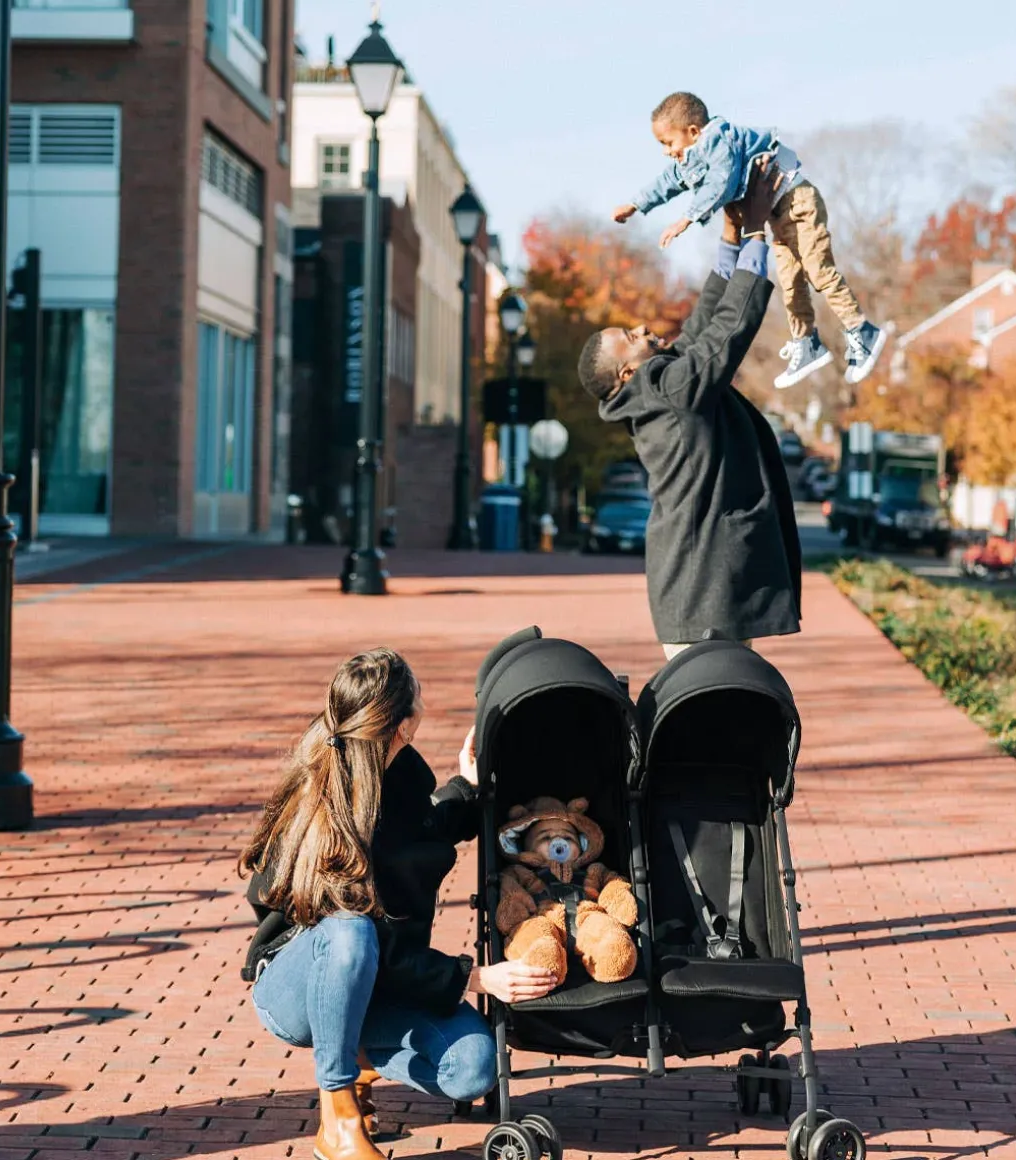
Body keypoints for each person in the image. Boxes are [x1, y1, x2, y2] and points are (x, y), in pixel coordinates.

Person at [239, 649, 558, 1160]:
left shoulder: (402, 770)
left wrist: (467, 785)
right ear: (404, 725)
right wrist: (472, 977)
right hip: (298, 986)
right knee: (351, 931)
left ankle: (358, 1054)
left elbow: (424, 831)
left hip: (381, 984)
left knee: (471, 1067)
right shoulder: (322, 796)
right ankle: (338, 1116)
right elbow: (365, 944)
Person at [579, 161, 802, 660]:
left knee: (728, 720)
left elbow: (703, 327)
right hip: (700, 597)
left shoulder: (659, 388)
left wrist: (731, 233)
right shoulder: (663, 393)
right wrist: (758, 236)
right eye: (629, 340)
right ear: (625, 375)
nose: (639, 329)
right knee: (709, 729)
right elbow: (726, 334)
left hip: (705, 594)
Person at [612, 91, 886, 389]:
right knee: (790, 280)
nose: (666, 151)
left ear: (693, 132)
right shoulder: (692, 155)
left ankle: (861, 328)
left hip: (798, 202)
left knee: (817, 270)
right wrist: (637, 204)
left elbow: (721, 182)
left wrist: (686, 219)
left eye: (668, 143)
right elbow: (667, 181)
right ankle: (806, 342)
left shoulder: (718, 142)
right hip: (777, 214)